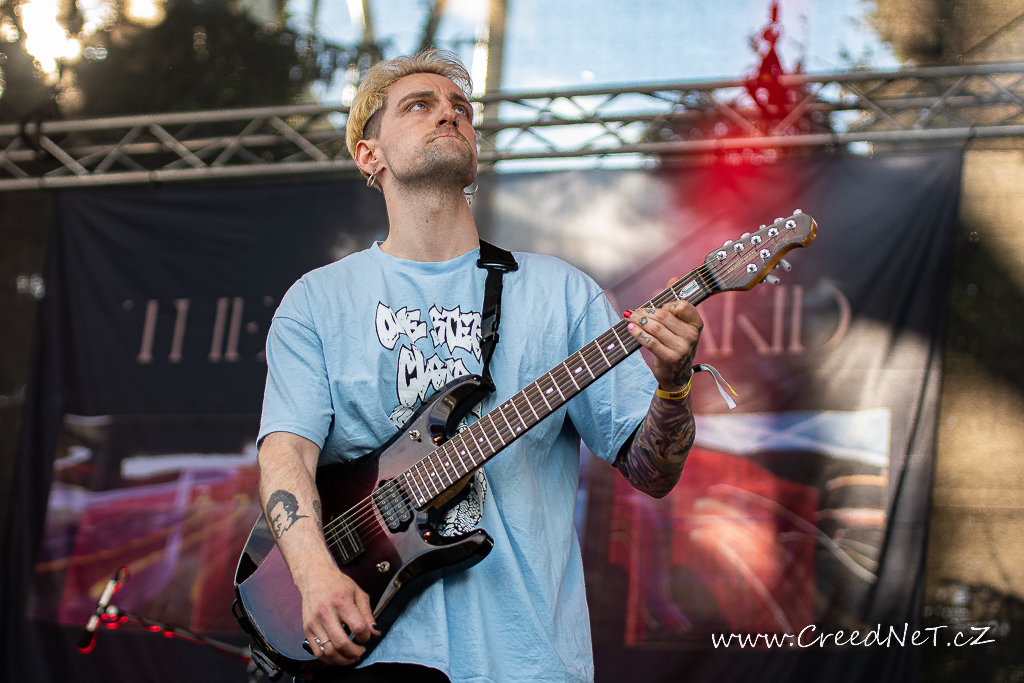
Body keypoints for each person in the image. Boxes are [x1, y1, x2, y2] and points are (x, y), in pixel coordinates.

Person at [256, 50, 702, 683]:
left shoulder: (560, 292)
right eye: (419, 105)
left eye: (460, 108)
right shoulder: (318, 300)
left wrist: (674, 386)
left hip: (530, 661)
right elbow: (285, 453)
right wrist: (314, 575)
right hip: (377, 657)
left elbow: (653, 472)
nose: (449, 115)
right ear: (368, 154)